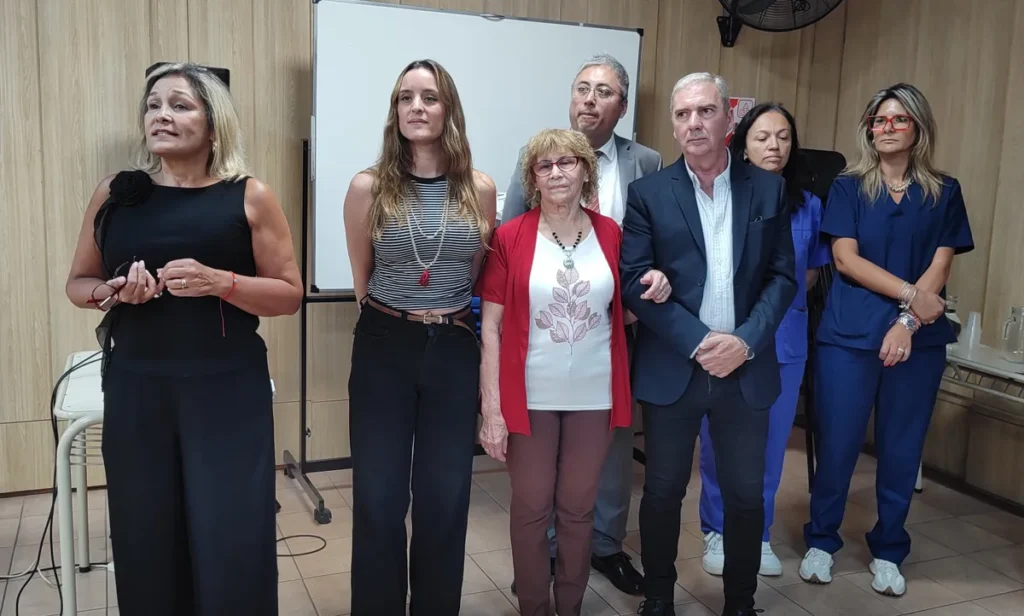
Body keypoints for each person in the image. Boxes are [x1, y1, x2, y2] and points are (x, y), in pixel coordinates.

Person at [64, 62, 303, 615]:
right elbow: (78, 284)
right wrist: (111, 293)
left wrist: (223, 282)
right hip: (137, 387)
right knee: (145, 531)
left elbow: (289, 295)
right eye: (153, 105)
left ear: (214, 124)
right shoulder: (116, 194)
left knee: (229, 533)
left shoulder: (250, 196)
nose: (161, 115)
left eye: (179, 105)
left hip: (227, 390)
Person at [620, 72, 797, 616]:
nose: (693, 123)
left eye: (705, 111)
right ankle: (658, 597)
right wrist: (700, 342)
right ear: (673, 126)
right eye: (682, 114)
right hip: (675, 367)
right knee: (662, 492)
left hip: (745, 367)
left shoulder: (767, 188)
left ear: (727, 119)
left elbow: (782, 278)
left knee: (745, 495)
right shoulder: (648, 194)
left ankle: (740, 602)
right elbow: (634, 280)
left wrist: (744, 341)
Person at [476, 128, 670, 616]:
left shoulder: (612, 234)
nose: (556, 172)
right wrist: (492, 408)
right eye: (545, 166)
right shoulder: (509, 237)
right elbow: (491, 328)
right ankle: (534, 607)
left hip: (595, 396)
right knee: (531, 507)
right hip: (530, 397)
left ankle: (570, 606)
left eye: (567, 162)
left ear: (586, 170)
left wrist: (655, 286)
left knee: (579, 509)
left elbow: (623, 312)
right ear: (533, 178)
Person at [799, 83, 973, 597]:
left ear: (918, 127)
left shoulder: (944, 190)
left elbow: (941, 264)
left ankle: (890, 548)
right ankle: (822, 540)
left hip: (918, 341)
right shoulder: (850, 187)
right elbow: (845, 260)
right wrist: (908, 297)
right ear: (869, 129)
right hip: (849, 336)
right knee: (838, 444)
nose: (887, 128)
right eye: (879, 120)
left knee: (901, 447)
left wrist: (908, 323)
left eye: (899, 119)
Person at [341, 59, 497, 616]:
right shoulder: (367, 187)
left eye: (428, 97)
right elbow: (362, 278)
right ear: (395, 111)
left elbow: (473, 274)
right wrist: (400, 321)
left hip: (453, 347)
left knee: (445, 495)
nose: (416, 107)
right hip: (385, 341)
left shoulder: (479, 189)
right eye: (405, 98)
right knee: (379, 495)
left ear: (448, 107)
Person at [698, 102, 831, 577]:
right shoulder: (719, 196)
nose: (774, 146)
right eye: (762, 137)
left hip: (784, 337)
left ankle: (757, 532)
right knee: (719, 438)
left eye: (783, 137)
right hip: (724, 336)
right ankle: (717, 528)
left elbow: (809, 273)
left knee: (773, 442)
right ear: (742, 146)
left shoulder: (808, 205)